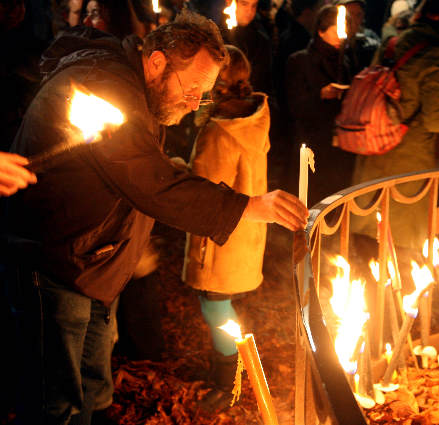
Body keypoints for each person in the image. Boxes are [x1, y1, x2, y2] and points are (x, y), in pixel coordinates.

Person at [3, 11, 307, 425]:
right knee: (56, 397)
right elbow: (149, 181)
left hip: (92, 263)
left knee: (94, 383)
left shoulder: (133, 87)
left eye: (205, 92)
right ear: (158, 61)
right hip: (55, 260)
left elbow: (139, 167)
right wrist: (249, 206)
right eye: (193, 87)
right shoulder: (103, 86)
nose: (195, 101)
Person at [181, 44, 270, 410]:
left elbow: (202, 191)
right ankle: (231, 373)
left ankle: (228, 381)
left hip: (220, 238)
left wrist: (170, 167)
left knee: (216, 307)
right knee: (223, 304)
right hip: (243, 232)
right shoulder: (252, 118)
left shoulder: (219, 131)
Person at [351, 0, 439, 270]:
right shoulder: (435, 53)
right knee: (400, 257)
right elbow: (437, 120)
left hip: (374, 152)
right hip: (408, 170)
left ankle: (368, 305)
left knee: (369, 247)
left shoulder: (392, 44)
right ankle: (394, 310)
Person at [285, 4, 356, 207]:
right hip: (311, 141)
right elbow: (294, 105)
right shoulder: (300, 60)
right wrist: (320, 94)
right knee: (310, 197)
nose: (341, 36)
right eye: (336, 30)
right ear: (321, 30)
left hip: (337, 144)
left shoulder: (346, 60)